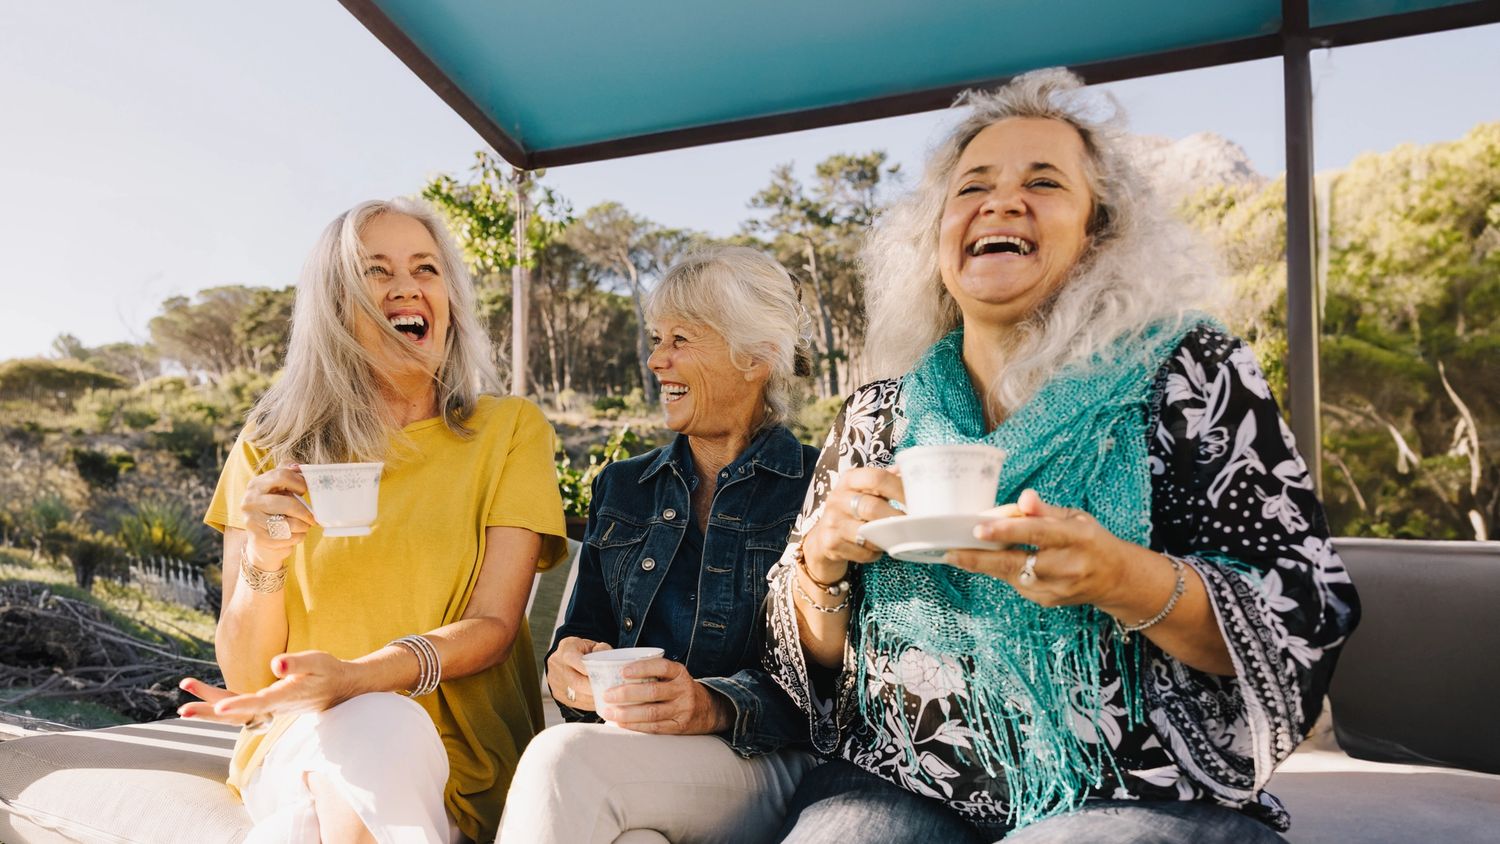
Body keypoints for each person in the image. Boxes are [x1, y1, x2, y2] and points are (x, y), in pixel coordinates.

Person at [765, 69, 1360, 843]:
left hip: (1139, 791)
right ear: (938, 235)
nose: (1001, 201)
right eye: (972, 185)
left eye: (1043, 182)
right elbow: (803, 664)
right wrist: (820, 564)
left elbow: (1303, 612)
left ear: (1097, 236)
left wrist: (1123, 577)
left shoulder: (1191, 373)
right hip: (899, 774)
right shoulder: (879, 414)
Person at [179, 197, 569, 844]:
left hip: (464, 755)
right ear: (335, 307)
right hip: (304, 741)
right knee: (373, 732)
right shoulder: (271, 444)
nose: (407, 287)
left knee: (319, 810)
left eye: (426, 268)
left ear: (449, 299)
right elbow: (249, 680)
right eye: (376, 272)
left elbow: (495, 627)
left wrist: (358, 679)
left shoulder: (507, 432)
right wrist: (265, 560)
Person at [499, 246, 822, 843]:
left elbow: (838, 686)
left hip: (770, 763)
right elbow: (583, 631)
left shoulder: (818, 486)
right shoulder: (622, 487)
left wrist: (714, 705)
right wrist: (568, 671)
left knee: (561, 760)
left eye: (680, 340)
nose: (654, 359)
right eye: (655, 338)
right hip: (638, 761)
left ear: (755, 357)